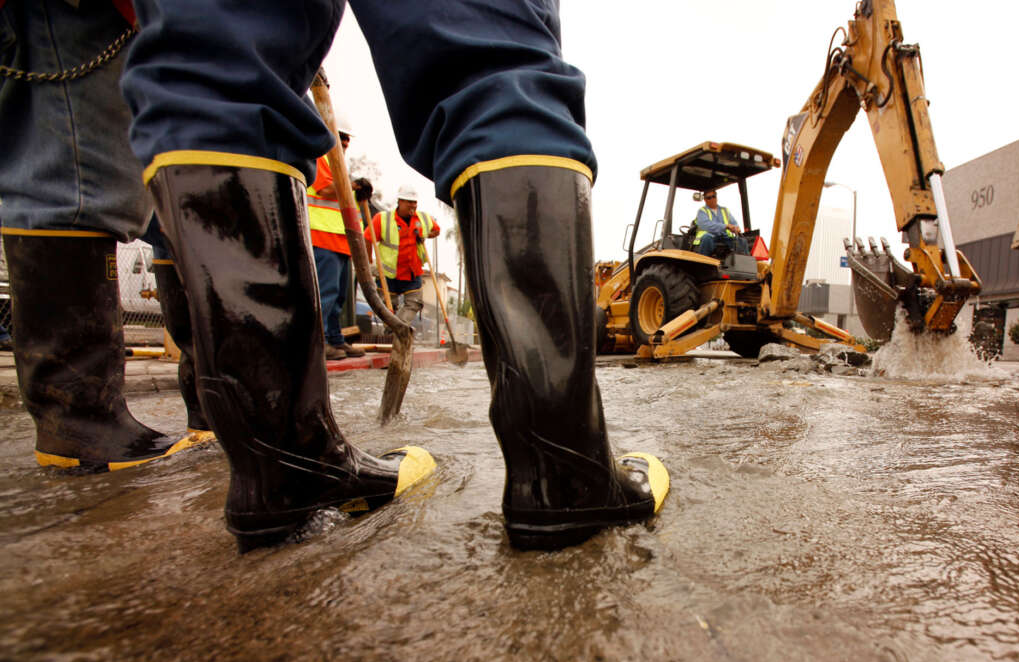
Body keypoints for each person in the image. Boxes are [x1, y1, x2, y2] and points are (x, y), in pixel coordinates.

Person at [119, 0, 669, 551]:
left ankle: (279, 475)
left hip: (396, 270)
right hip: (381, 268)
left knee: (217, 66)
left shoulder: (405, 221)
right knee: (489, 58)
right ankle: (564, 476)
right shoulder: (379, 215)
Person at [0, 0, 212, 472]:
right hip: (75, 15)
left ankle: (206, 407)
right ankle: (82, 423)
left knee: (151, 198)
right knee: (72, 183)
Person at [307, 128, 366, 361]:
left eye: (347, 139)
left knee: (339, 296)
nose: (346, 143)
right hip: (323, 237)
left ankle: (335, 340)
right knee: (326, 294)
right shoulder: (320, 157)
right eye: (341, 137)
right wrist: (352, 186)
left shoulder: (337, 165)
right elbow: (326, 189)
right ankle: (318, 344)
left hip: (341, 240)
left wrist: (357, 192)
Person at [364, 186, 439, 328]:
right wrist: (369, 262)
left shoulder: (423, 218)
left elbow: (436, 231)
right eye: (409, 202)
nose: (412, 205)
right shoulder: (383, 219)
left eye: (414, 202)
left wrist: (424, 235)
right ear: (399, 201)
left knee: (414, 303)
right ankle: (392, 332)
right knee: (388, 307)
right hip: (389, 274)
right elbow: (367, 238)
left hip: (412, 272)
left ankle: (400, 329)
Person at [693, 189, 748, 257]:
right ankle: (703, 262)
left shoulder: (724, 210)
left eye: (714, 196)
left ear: (716, 197)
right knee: (707, 238)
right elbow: (707, 225)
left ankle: (744, 263)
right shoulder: (702, 211)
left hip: (724, 237)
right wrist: (725, 226)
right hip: (710, 236)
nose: (712, 199)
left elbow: (733, 223)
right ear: (705, 200)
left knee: (742, 241)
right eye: (709, 198)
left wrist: (736, 228)